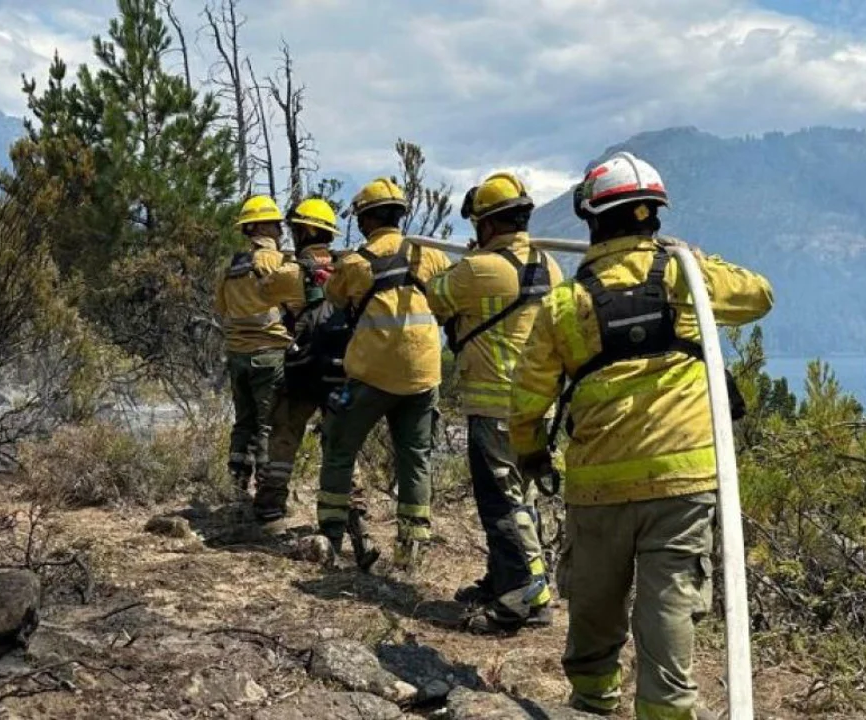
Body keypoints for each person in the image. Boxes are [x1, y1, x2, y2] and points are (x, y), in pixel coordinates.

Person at [509, 152, 774, 719]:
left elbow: (527, 399)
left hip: (598, 484)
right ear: (654, 214)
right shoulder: (686, 278)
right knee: (669, 605)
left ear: (590, 218)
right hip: (684, 479)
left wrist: (530, 456)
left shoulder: (565, 304)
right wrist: (696, 261)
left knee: (594, 600)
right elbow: (759, 295)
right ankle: (666, 710)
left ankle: (592, 701)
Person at [426, 172, 561, 634]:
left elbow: (435, 296)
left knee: (501, 504)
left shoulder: (479, 269)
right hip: (538, 407)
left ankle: (519, 600)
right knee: (524, 499)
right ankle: (509, 580)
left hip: (494, 405)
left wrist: (465, 260)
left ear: (486, 224)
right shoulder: (550, 265)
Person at [316, 178, 452, 571]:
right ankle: (411, 551)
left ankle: (330, 538)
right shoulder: (429, 255)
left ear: (369, 219)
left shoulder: (356, 262)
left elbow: (334, 298)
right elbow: (448, 299)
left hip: (371, 375)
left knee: (339, 448)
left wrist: (333, 272)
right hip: (423, 375)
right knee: (415, 460)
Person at [253, 198, 380, 566]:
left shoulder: (292, 272)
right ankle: (357, 521)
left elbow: (262, 293)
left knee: (284, 433)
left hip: (303, 369)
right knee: (341, 445)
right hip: (342, 370)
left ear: (304, 231)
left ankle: (270, 509)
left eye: (295, 228)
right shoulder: (349, 266)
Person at [215, 195, 304, 496]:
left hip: (236, 356)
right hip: (269, 356)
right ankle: (266, 493)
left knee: (243, 423)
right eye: (277, 225)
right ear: (265, 227)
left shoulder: (230, 266)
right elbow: (298, 305)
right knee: (268, 425)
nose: (280, 231)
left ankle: (236, 486)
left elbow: (221, 308)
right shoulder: (278, 263)